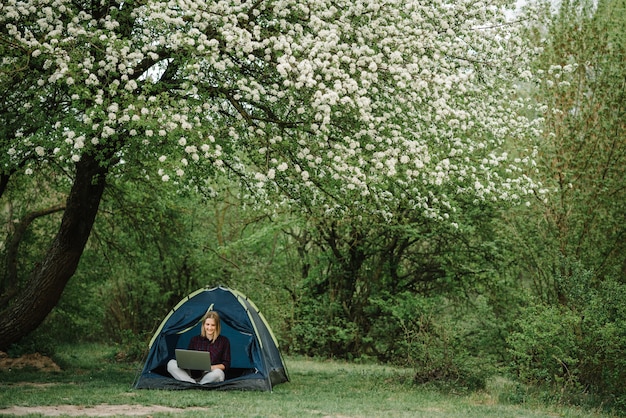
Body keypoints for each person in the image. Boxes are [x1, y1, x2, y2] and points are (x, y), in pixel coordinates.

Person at [167, 310, 231, 384]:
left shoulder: (224, 341)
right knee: (171, 363)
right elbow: (188, 358)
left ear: (217, 326)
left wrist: (211, 368)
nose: (210, 328)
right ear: (204, 325)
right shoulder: (195, 339)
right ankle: (192, 383)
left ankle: (199, 384)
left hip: (210, 374)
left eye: (213, 325)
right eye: (207, 324)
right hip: (192, 373)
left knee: (218, 373)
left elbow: (226, 364)